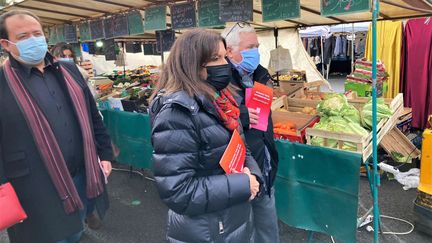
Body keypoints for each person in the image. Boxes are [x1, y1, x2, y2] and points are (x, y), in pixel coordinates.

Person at [0, 10, 113, 243]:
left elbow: (93, 116)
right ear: (6, 44)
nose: (33, 40)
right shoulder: (2, 83)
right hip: (33, 188)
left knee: (75, 232)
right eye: (23, 37)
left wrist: (105, 154)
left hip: (82, 175)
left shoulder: (68, 70)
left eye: (37, 33)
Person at [150, 29, 262, 243]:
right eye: (216, 58)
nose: (225, 64)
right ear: (193, 63)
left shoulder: (222, 100)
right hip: (207, 230)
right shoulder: (177, 114)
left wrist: (253, 177)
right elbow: (178, 191)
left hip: (233, 219)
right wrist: (242, 184)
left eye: (224, 57)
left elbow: (241, 147)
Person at [222, 22, 280, 243]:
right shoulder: (218, 79)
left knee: (267, 226)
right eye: (250, 46)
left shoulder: (260, 74)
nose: (256, 51)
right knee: (239, 229)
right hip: (238, 170)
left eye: (257, 46)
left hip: (264, 161)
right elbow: (211, 119)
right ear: (230, 51)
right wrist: (241, 116)